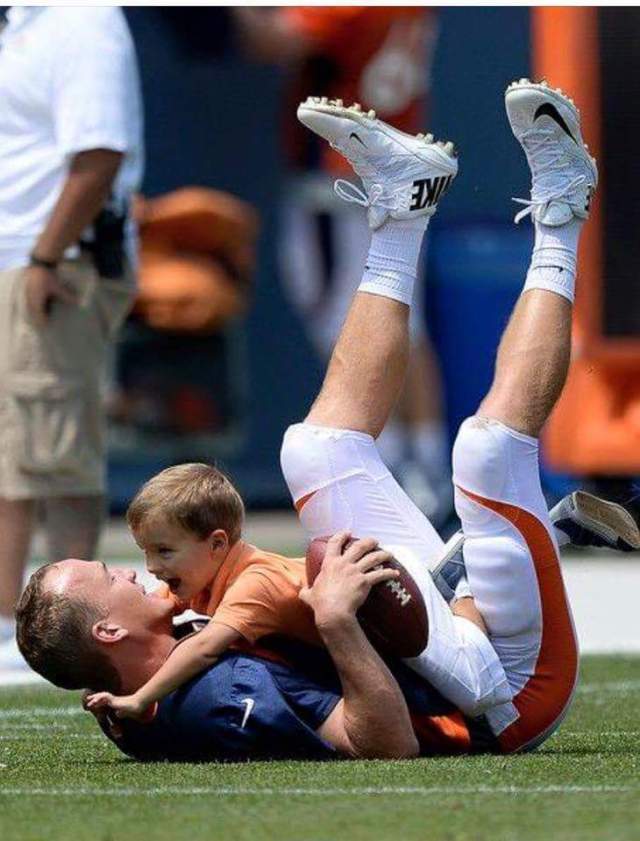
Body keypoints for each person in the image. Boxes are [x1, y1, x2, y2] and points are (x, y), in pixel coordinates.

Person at [15, 79, 633, 761]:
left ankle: (403, 211)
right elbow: (387, 743)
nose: (134, 571)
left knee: (312, 449)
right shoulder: (212, 699)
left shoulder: (152, 665)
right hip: (504, 695)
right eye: (114, 575)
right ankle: (562, 208)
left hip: (424, 640)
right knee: (483, 452)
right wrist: (337, 622)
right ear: (108, 633)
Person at [234, 7, 452, 524]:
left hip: (341, 177)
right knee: (399, 313)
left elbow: (270, 41)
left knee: (346, 319)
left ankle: (394, 460)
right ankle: (420, 460)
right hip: (389, 162)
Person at [0, 7, 143, 677]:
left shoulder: (82, 19)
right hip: (22, 260)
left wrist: (48, 256)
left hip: (56, 266)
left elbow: (100, 153)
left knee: (57, 453)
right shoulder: (21, 21)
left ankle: (65, 632)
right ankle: (10, 619)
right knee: (13, 455)